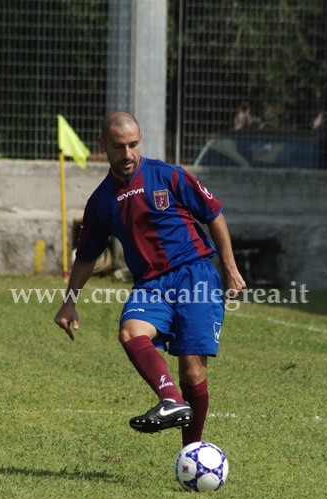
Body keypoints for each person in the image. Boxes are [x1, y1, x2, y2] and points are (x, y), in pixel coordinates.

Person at [54, 111, 246, 446]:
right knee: (130, 331)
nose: (127, 154)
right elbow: (86, 256)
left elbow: (213, 214)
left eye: (132, 145)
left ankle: (191, 452)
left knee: (193, 372)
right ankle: (170, 399)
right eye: (118, 147)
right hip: (150, 285)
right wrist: (69, 303)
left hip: (194, 276)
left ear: (139, 141)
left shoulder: (168, 175)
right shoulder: (100, 202)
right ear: (103, 146)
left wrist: (230, 268)